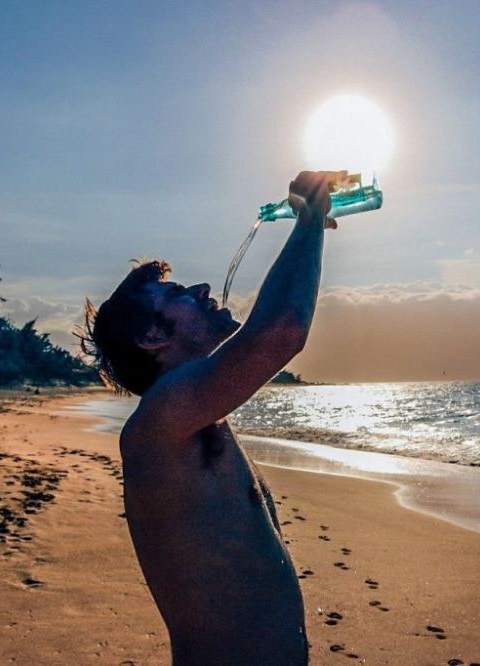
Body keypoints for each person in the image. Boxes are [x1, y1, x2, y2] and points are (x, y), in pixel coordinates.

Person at [80, 171, 342, 665]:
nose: (201, 288)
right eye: (177, 293)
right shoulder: (159, 421)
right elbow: (281, 331)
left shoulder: (194, 419)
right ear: (154, 336)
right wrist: (308, 219)